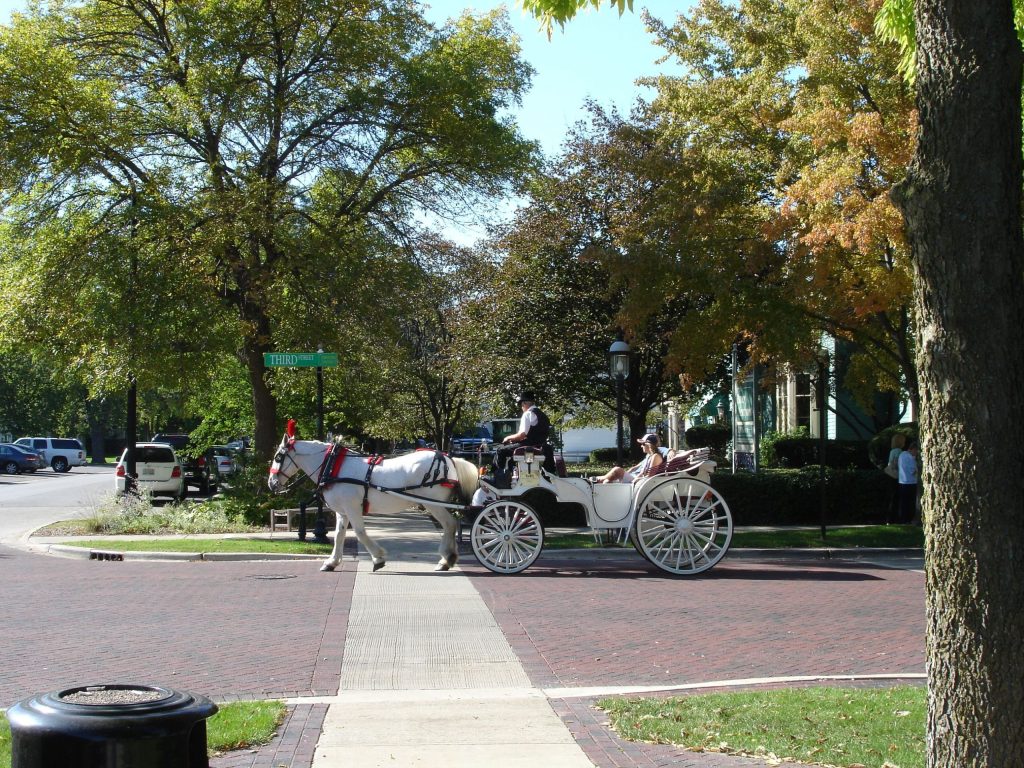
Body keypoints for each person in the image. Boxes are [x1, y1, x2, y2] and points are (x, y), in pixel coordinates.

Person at [492, 392, 550, 487]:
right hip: (539, 446)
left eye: (521, 405)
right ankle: (512, 476)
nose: (521, 408)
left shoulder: (528, 414)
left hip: (528, 447)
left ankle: (499, 480)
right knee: (509, 453)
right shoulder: (542, 415)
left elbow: (522, 435)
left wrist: (508, 437)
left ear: (524, 403)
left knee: (500, 451)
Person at [595, 433, 665, 483]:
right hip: (636, 477)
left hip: (641, 481)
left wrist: (636, 479)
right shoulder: (650, 455)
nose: (641, 446)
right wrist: (627, 473)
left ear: (649, 445)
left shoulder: (656, 456)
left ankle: (597, 480)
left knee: (618, 470)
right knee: (608, 480)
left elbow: (650, 475)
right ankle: (599, 480)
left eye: (643, 444)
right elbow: (640, 470)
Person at [884, 433, 906, 523]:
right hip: (896, 476)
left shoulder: (892, 451)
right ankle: (895, 518)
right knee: (896, 497)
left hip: (890, 475)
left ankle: (889, 518)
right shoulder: (899, 451)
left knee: (892, 497)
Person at [897, 438, 920, 524]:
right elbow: (913, 471)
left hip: (902, 481)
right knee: (910, 502)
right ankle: (908, 519)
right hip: (910, 482)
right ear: (913, 449)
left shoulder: (902, 454)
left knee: (904, 502)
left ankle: (903, 519)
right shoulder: (910, 457)